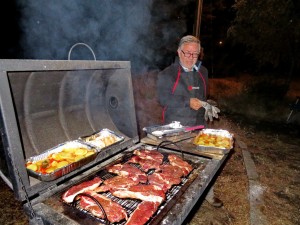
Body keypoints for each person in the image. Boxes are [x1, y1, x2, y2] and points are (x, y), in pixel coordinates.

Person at [157, 35, 222, 207]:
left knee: (204, 161)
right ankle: (175, 199)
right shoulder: (167, 74)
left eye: (195, 54)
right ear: (179, 52)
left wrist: (207, 105)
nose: (191, 58)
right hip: (175, 126)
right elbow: (162, 99)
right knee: (176, 163)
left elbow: (202, 96)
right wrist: (187, 102)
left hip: (199, 125)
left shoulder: (203, 72)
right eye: (187, 53)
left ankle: (207, 192)